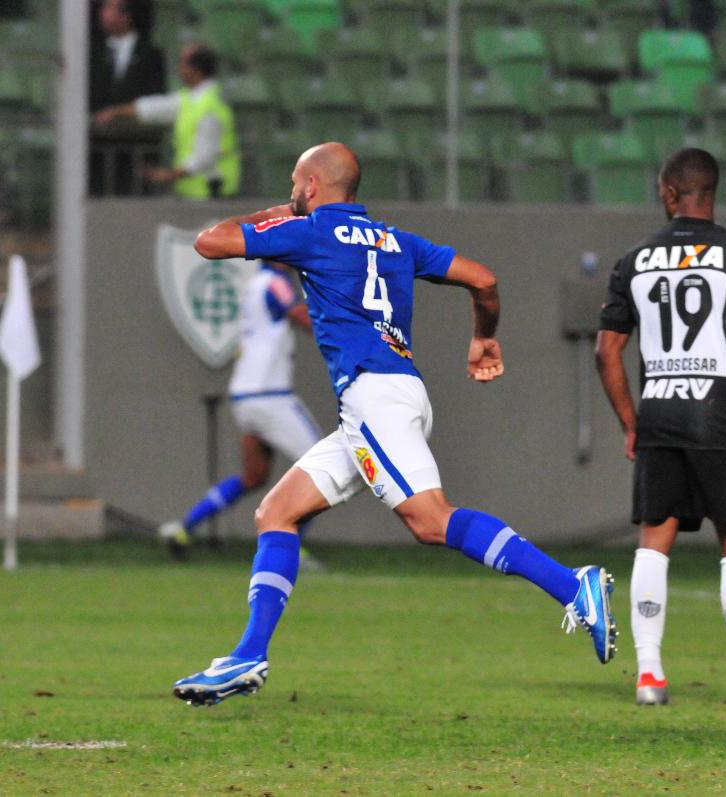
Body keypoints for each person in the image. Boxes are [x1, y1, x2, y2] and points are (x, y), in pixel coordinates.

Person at [170, 142, 617, 706]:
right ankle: (247, 655)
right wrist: (483, 337)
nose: (291, 192)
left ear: (311, 187)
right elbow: (482, 279)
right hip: (393, 394)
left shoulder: (307, 231)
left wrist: (274, 215)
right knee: (276, 512)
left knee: (431, 522)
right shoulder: (397, 241)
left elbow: (210, 242)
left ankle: (573, 585)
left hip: (373, 399)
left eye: (293, 183)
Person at [595, 148, 726, 708]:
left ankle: (648, 677)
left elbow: (607, 351)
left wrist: (630, 423)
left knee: (654, 539)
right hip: (721, 417)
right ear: (711, 192)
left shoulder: (632, 261)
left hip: (661, 415)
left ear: (669, 193)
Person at [158, 262, 324, 558]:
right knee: (324, 466)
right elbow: (300, 315)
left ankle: (185, 529)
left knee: (253, 476)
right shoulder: (276, 281)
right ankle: (290, 549)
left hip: (245, 396)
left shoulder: (253, 284)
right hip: (270, 395)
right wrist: (345, 329)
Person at [94, 43, 240, 199]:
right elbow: (156, 107)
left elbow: (204, 155)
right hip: (195, 192)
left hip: (214, 193)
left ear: (194, 70)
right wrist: (116, 111)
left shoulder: (209, 106)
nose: (179, 69)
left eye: (182, 63)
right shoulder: (190, 98)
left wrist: (169, 175)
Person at [89, 0, 166, 113]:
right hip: (96, 126)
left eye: (108, 8)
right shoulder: (94, 52)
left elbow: (156, 97)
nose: (102, 13)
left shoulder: (150, 54)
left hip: (136, 127)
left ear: (126, 16)